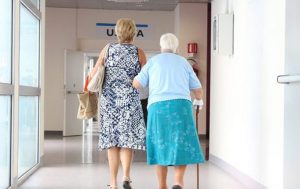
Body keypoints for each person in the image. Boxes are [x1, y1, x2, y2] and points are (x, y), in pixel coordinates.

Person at [133, 33, 205, 189]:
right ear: (176, 48)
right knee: (181, 142)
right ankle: (178, 181)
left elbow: (137, 84)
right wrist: (199, 100)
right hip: (181, 106)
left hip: (158, 107)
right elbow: (197, 89)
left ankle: (162, 186)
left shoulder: (152, 62)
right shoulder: (184, 63)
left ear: (161, 47)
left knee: (160, 144)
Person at [88, 18, 147, 189]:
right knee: (127, 142)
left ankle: (113, 183)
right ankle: (126, 177)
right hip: (130, 102)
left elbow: (93, 75)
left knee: (112, 143)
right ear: (133, 33)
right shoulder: (139, 52)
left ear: (117, 32)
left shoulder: (107, 49)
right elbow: (145, 79)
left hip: (110, 102)